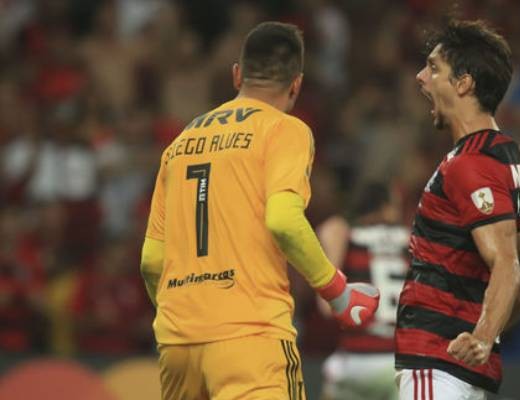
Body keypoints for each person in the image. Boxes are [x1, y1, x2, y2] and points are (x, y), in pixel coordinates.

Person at [139, 21, 380, 400]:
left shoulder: (180, 142)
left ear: (237, 75)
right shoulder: (284, 130)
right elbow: (283, 220)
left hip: (177, 345)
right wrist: (338, 293)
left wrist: (184, 316)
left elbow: (152, 259)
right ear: (296, 84)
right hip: (250, 339)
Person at [394, 18, 520, 399]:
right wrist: (484, 333)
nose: (419, 78)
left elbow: (509, 266)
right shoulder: (502, 158)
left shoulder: (470, 164)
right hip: (463, 372)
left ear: (464, 84)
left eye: (433, 68)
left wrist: (481, 336)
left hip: (436, 362)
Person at [317, 183, 410, 400]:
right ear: (385, 207)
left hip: (357, 360)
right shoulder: (411, 239)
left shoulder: (347, 235)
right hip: (401, 362)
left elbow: (325, 308)